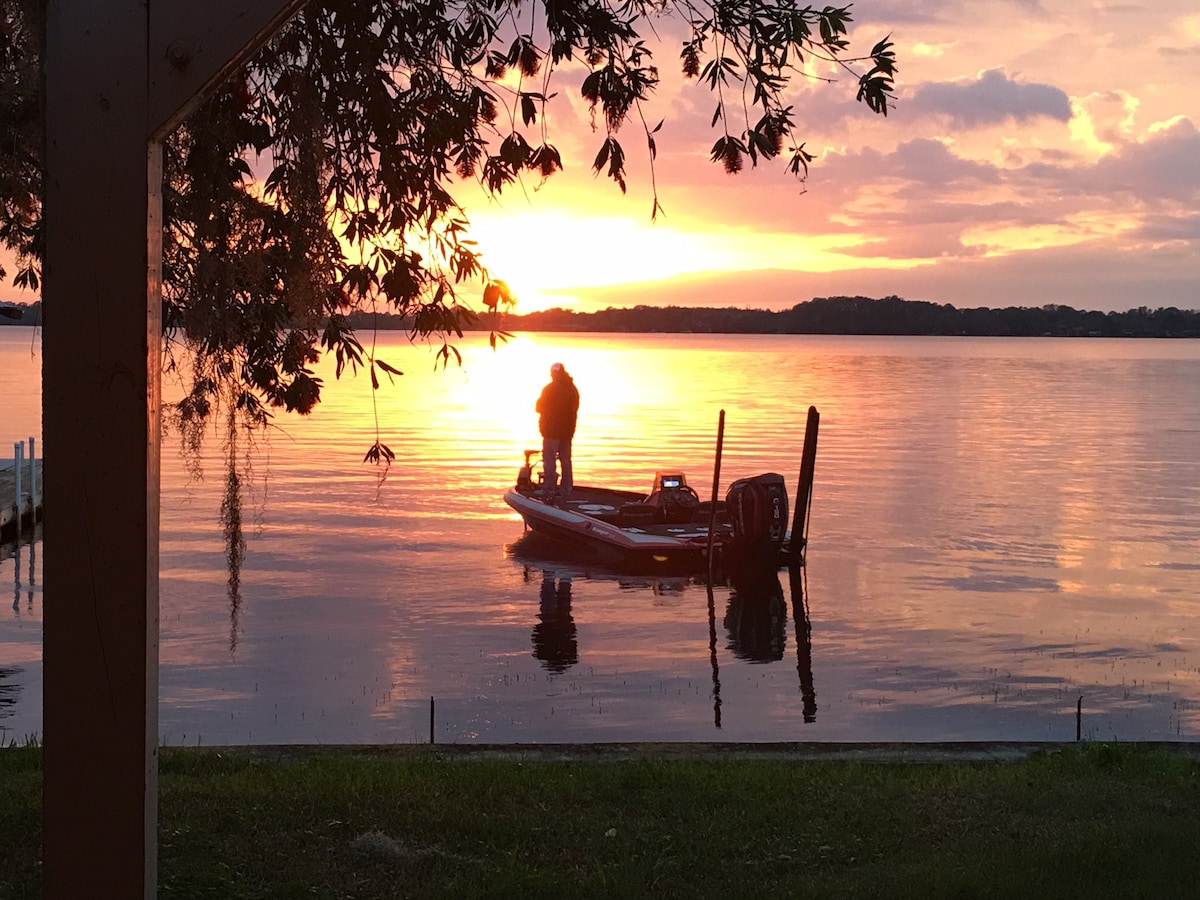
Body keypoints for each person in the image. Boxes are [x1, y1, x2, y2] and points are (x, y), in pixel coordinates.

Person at [535, 361, 579, 500]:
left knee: (549, 461)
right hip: (567, 432)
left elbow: (539, 407)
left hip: (552, 431)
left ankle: (548, 489)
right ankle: (567, 488)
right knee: (566, 461)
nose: (552, 374)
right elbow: (574, 409)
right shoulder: (572, 389)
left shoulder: (549, 389)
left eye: (553, 372)